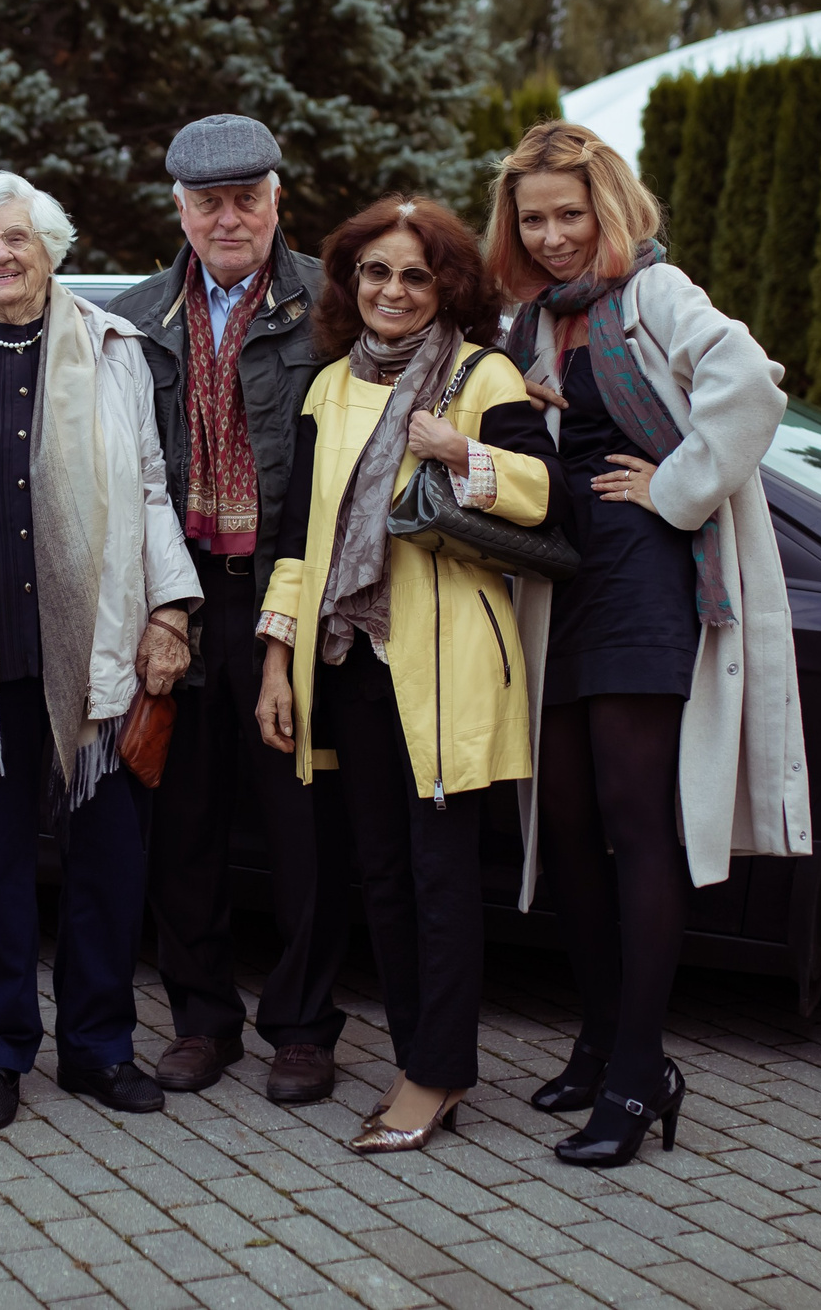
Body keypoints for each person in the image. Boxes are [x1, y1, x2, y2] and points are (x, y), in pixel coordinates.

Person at [488, 120, 806, 1168]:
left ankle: (637, 1073)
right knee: (568, 827)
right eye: (532, 219)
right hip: (565, 581)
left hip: (643, 579)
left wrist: (671, 491)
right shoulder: (530, 322)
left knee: (635, 823)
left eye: (568, 215)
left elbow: (751, 387)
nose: (550, 237)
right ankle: (593, 1042)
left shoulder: (654, 296)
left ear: (607, 210)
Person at [0, 171, 202, 1132]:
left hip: (93, 645)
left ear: (51, 247)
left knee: (107, 862)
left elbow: (146, 485)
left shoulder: (111, 349)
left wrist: (170, 612)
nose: (0, 257)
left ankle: (100, 1047)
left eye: (16, 239)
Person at [254, 194, 562, 1154]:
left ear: (449, 288)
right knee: (381, 875)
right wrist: (276, 662)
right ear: (352, 282)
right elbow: (300, 539)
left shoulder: (483, 374)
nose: (393, 290)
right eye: (377, 272)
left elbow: (547, 500)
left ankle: (438, 1073)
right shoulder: (329, 386)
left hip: (447, 666)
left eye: (415, 275)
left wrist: (463, 449)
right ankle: (416, 1053)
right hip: (347, 661)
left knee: (438, 877)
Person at [106, 115, 351, 1106]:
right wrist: (154, 606)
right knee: (185, 824)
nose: (229, 217)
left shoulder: (331, 307)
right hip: (179, 595)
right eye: (208, 201)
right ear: (178, 207)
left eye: (247, 197)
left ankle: (301, 1028)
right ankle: (202, 1021)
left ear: (277, 198)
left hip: (285, 591)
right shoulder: (134, 319)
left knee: (302, 826)